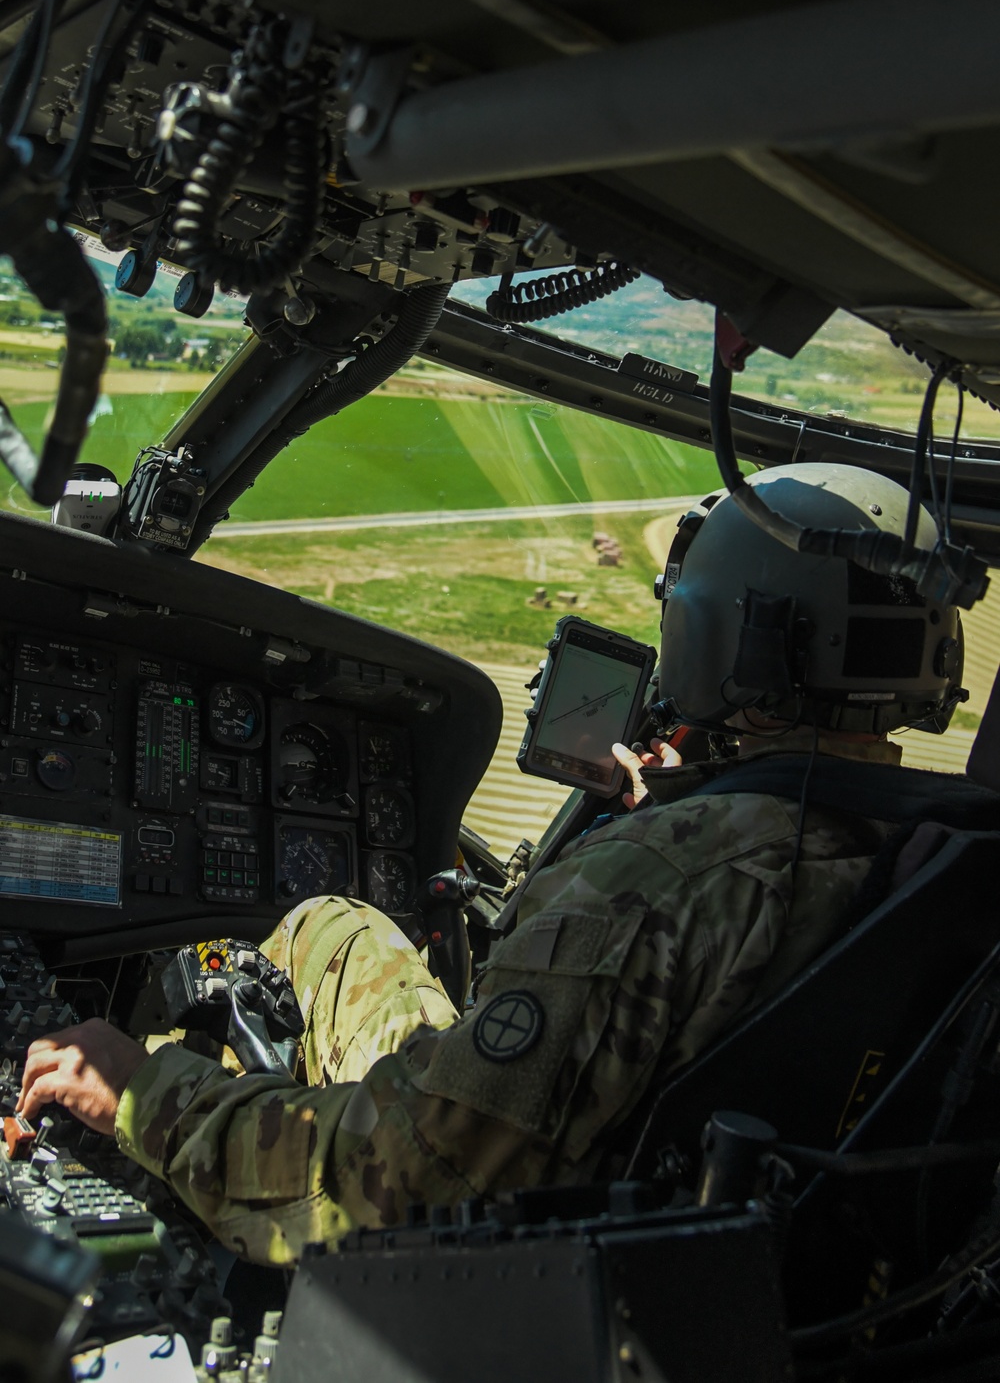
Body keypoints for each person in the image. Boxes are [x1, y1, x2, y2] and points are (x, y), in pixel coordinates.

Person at [17, 463, 968, 1266]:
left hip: (525, 1278)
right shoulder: (937, 856)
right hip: (754, 1274)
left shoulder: (654, 883)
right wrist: (688, 812)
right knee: (337, 926)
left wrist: (142, 1095)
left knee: (305, 936)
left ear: (721, 633)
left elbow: (406, 1189)